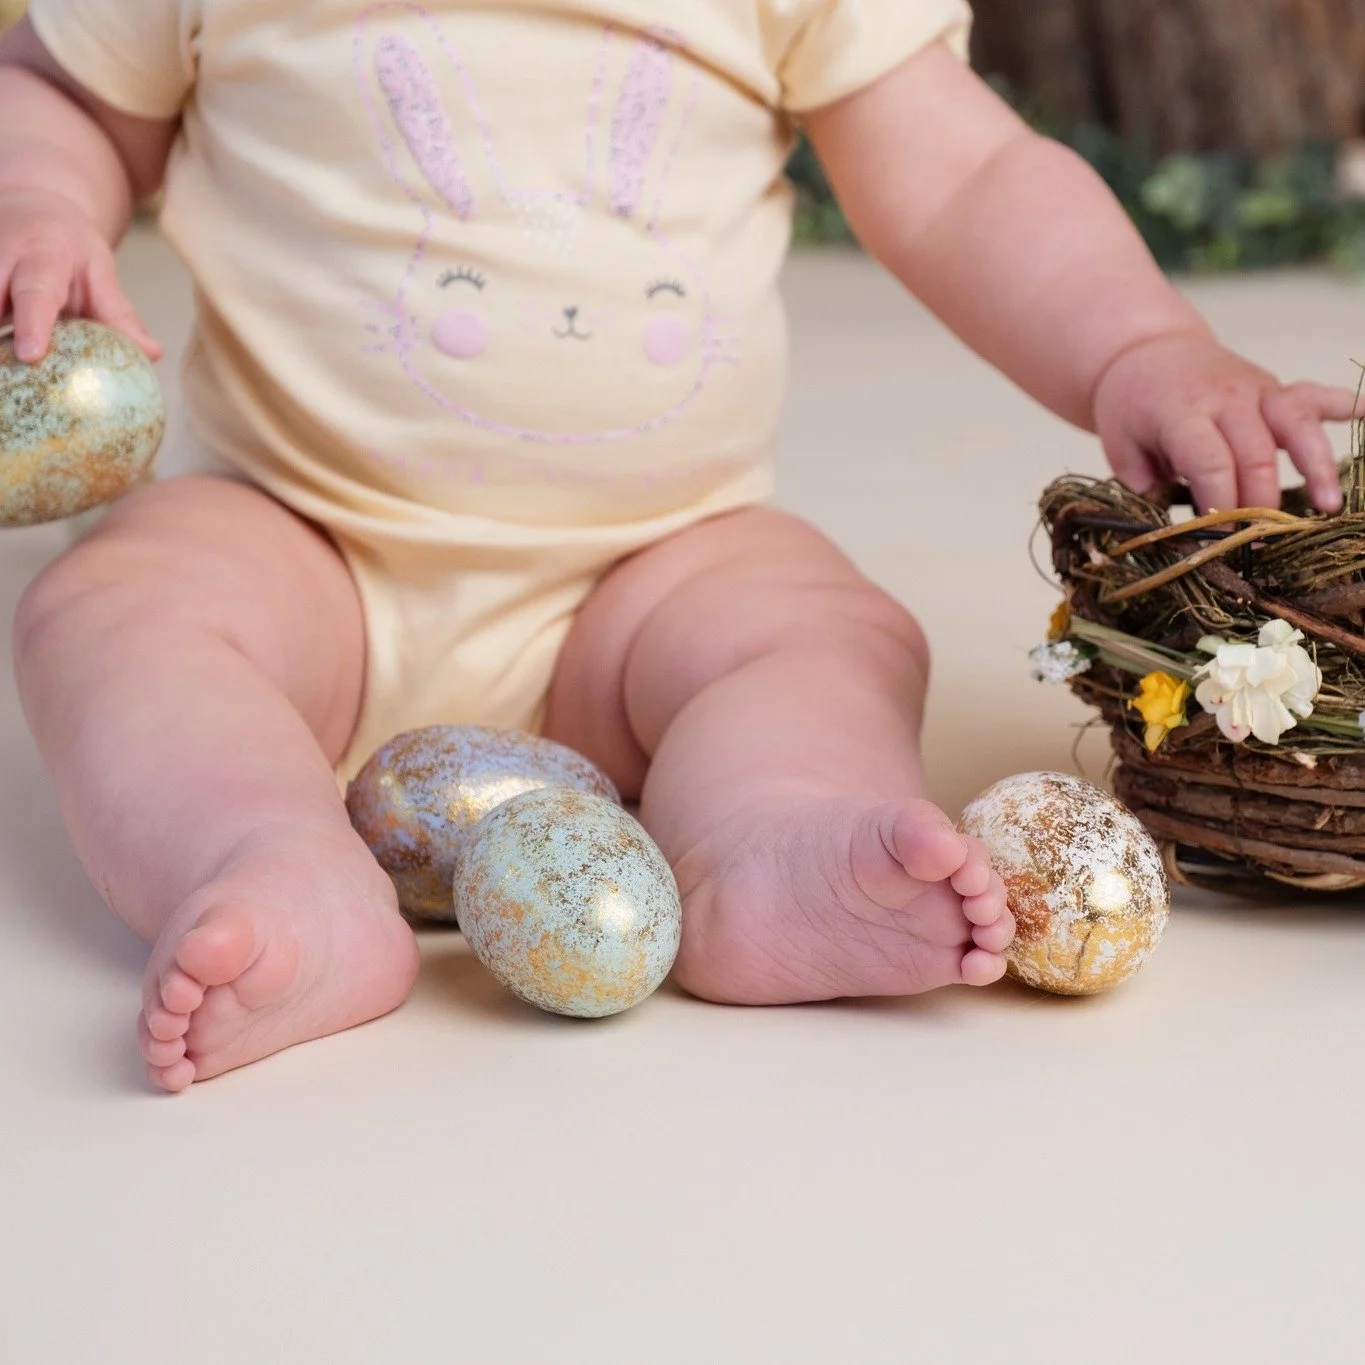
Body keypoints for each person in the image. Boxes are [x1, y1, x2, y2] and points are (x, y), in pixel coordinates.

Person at [1, 1, 1355, 1091]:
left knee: (817, 631)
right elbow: (61, 94)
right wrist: (37, 200)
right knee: (115, 606)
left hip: (654, 575)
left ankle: (762, 842)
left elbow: (966, 178)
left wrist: (1139, 346)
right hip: (299, 541)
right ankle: (269, 856)